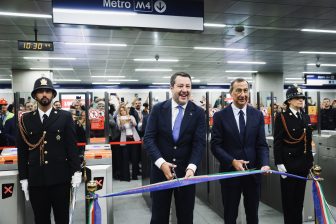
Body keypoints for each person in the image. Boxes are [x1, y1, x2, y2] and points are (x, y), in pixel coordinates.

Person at [17, 77, 82, 224]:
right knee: (40, 219)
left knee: (62, 219)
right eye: (40, 92)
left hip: (60, 179)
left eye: (47, 91)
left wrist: (76, 171)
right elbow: (22, 152)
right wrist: (24, 178)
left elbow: (71, 147)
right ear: (35, 96)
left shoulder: (64, 117)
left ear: (53, 95)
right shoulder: (25, 119)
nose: (44, 94)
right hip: (36, 180)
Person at [144, 72, 206, 224]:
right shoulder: (158, 109)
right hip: (160, 173)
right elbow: (149, 139)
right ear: (171, 88)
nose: (184, 90)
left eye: (188, 86)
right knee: (159, 217)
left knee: (185, 217)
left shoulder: (198, 113)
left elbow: (199, 143)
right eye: (180, 86)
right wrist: (162, 163)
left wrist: (192, 168)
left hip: (186, 175)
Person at [211, 78, 270, 224]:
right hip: (230, 174)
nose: (242, 94)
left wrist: (264, 164)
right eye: (238, 90)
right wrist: (232, 161)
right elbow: (215, 145)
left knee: (253, 215)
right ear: (231, 93)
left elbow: (261, 145)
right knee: (230, 215)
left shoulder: (257, 115)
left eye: (245, 90)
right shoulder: (220, 116)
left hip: (253, 174)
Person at [274, 85, 314, 224]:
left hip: (302, 164)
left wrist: (310, 162)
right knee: (289, 202)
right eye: (297, 98)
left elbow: (308, 141)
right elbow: (278, 141)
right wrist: (279, 163)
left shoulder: (305, 116)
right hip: (288, 165)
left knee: (299, 201)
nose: (300, 100)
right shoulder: (282, 117)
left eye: (302, 98)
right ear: (289, 101)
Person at [117, 105, 140, 181]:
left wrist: (130, 121)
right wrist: (122, 123)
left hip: (133, 138)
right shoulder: (118, 118)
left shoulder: (131, 116)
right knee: (125, 158)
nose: (122, 112)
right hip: (125, 138)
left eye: (123, 110)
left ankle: (134, 175)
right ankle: (126, 177)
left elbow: (135, 124)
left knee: (135, 157)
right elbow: (119, 128)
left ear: (126, 110)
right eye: (121, 111)